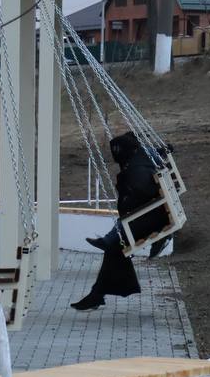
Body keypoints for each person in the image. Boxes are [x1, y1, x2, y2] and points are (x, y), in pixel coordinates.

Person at [72, 131, 172, 311]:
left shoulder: (136, 169)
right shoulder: (142, 160)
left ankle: (97, 294)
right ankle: (97, 294)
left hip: (154, 218)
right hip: (154, 214)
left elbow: (138, 196)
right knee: (114, 248)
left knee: (114, 248)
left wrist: (126, 198)